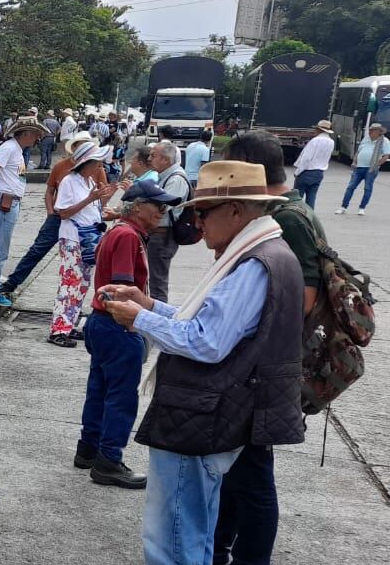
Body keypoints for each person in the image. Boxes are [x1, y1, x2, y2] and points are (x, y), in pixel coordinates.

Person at [100, 160, 303, 565]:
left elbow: (207, 341)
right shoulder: (263, 252)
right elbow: (212, 321)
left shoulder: (253, 264)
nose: (196, 223)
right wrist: (150, 304)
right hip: (212, 412)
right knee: (195, 527)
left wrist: (139, 319)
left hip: (201, 413)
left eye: (202, 213)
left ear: (236, 211)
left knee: (173, 536)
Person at [212, 131, 327, 565]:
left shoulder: (289, 218)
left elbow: (302, 299)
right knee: (239, 471)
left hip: (266, 367)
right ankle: (221, 544)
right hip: (263, 365)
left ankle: (247, 556)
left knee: (253, 475)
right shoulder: (291, 211)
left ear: (249, 168)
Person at [76, 180, 183, 489]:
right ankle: (108, 459)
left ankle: (89, 449)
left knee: (100, 389)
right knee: (120, 397)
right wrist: (132, 326)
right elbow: (121, 289)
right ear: (137, 207)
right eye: (157, 206)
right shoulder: (127, 235)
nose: (162, 212)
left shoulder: (121, 232)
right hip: (115, 324)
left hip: (101, 322)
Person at [0, 132, 100, 300]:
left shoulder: (96, 170)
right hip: (59, 216)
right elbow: (50, 190)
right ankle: (11, 283)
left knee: (78, 264)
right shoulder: (61, 167)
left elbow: (99, 197)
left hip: (79, 224)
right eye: (79, 144)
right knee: (37, 250)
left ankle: (71, 301)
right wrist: (50, 211)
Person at [0, 116, 49, 307]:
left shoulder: (16, 149)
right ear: (25, 133)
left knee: (1, 247)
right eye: (35, 134)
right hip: (5, 203)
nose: (37, 138)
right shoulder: (10, 148)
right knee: (0, 249)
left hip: (9, 202)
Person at [48, 141, 113, 348]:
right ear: (87, 164)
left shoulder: (88, 182)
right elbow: (63, 212)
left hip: (86, 238)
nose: (100, 167)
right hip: (73, 238)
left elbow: (93, 210)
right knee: (69, 285)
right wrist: (89, 199)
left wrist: (99, 197)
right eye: (97, 163)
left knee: (81, 284)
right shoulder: (69, 181)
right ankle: (58, 329)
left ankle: (67, 324)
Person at [145, 141, 191, 304]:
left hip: (163, 236)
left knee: (158, 283)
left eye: (153, 156)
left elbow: (162, 207)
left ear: (165, 160)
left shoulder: (176, 179)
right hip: (157, 235)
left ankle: (159, 320)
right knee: (153, 279)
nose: (149, 158)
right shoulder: (164, 176)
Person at [335, 122, 388, 215]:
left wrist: (376, 165)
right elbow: (358, 151)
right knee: (350, 187)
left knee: (367, 188)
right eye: (370, 130)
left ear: (379, 132)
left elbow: (386, 156)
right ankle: (343, 207)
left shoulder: (384, 141)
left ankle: (362, 208)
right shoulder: (366, 139)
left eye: (373, 130)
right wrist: (354, 161)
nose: (370, 132)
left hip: (371, 169)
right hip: (359, 167)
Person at [292, 119, 335, 209]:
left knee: (296, 198)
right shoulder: (331, 142)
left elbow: (306, 158)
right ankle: (310, 217)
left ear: (320, 130)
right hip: (319, 172)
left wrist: (298, 172)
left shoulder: (315, 140)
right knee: (311, 198)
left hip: (307, 172)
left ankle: (296, 216)